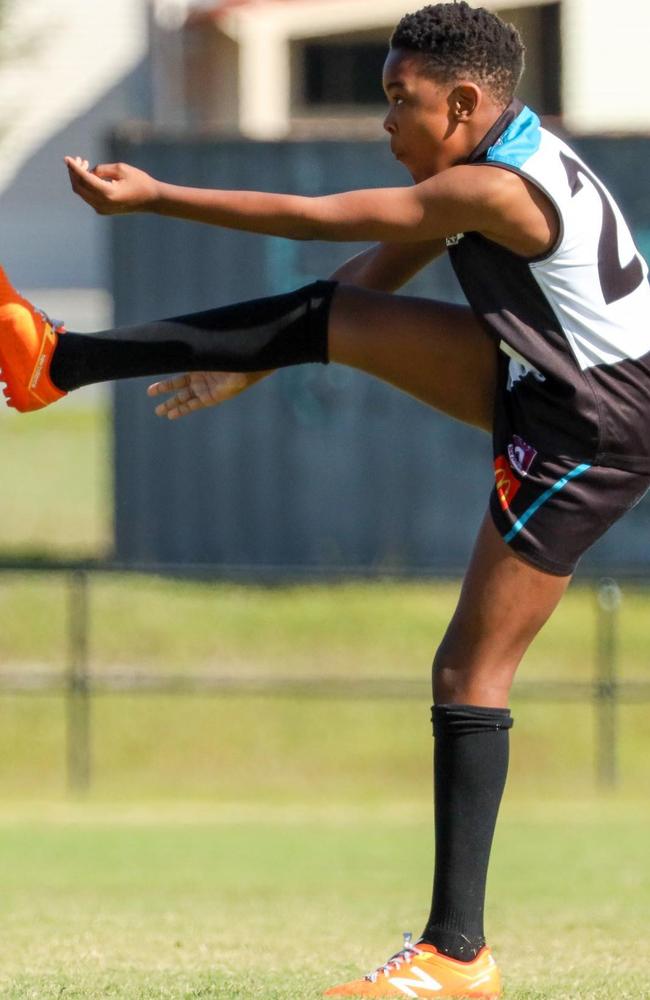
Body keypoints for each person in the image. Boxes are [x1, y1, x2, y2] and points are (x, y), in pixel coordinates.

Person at [1, 2, 649, 995]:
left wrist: (155, 195)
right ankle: (57, 361)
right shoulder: (496, 162)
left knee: (467, 669)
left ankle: (455, 954)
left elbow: (317, 218)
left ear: (465, 102)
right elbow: (362, 282)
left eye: (401, 101)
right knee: (330, 312)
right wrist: (258, 361)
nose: (386, 121)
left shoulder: (496, 186)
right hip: (562, 383)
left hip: (589, 429)